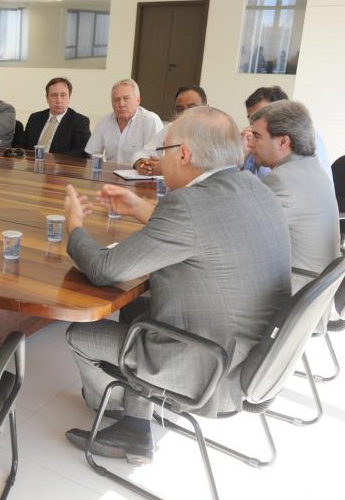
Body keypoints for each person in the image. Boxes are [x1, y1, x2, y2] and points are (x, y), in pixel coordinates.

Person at [61, 107, 291, 463]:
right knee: (137, 307)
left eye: (163, 151)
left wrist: (74, 227)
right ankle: (136, 425)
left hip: (211, 366)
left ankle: (113, 408)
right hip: (257, 356)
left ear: (183, 154)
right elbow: (206, 231)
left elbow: (106, 269)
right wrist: (140, 206)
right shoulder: (257, 188)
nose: (159, 158)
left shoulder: (186, 204)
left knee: (79, 335)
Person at [247, 100, 340, 282]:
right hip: (315, 288)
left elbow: (242, 232)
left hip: (294, 286)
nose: (250, 144)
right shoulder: (312, 168)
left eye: (257, 136)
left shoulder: (282, 179)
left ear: (283, 141)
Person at [241, 86, 332, 181]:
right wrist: (241, 156)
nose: (253, 125)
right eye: (251, 119)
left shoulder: (304, 136)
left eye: (262, 116)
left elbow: (267, 186)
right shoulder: (254, 138)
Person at [131, 84, 208, 176]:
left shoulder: (216, 133)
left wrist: (167, 168)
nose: (186, 113)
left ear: (206, 108)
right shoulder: (171, 129)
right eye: (180, 109)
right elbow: (143, 152)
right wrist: (142, 164)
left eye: (192, 108)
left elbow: (207, 169)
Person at [84, 79, 163, 166]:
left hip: (139, 176)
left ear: (138, 100)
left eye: (126, 98)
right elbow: (92, 153)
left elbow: (156, 158)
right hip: (109, 175)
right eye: (116, 100)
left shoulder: (150, 120)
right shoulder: (105, 121)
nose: (121, 104)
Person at [23, 77, 90, 158]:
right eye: (54, 95)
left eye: (63, 95)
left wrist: (54, 162)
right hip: (31, 166)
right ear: (47, 98)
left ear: (69, 97)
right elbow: (24, 146)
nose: (59, 100)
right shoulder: (35, 118)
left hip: (61, 168)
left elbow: (81, 152)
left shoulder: (80, 121)